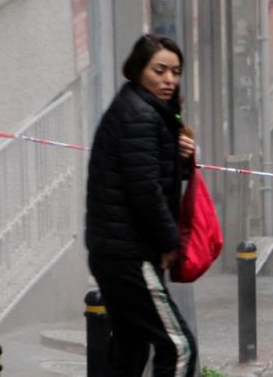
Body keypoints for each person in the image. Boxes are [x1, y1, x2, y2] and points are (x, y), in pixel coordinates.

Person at [85, 34, 198, 376]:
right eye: (159, 70)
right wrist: (168, 242)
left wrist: (182, 159)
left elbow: (154, 176)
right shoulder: (141, 116)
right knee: (178, 347)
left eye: (175, 72)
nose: (169, 80)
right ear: (138, 70)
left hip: (118, 251)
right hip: (129, 254)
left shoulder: (143, 110)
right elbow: (145, 190)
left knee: (130, 352)